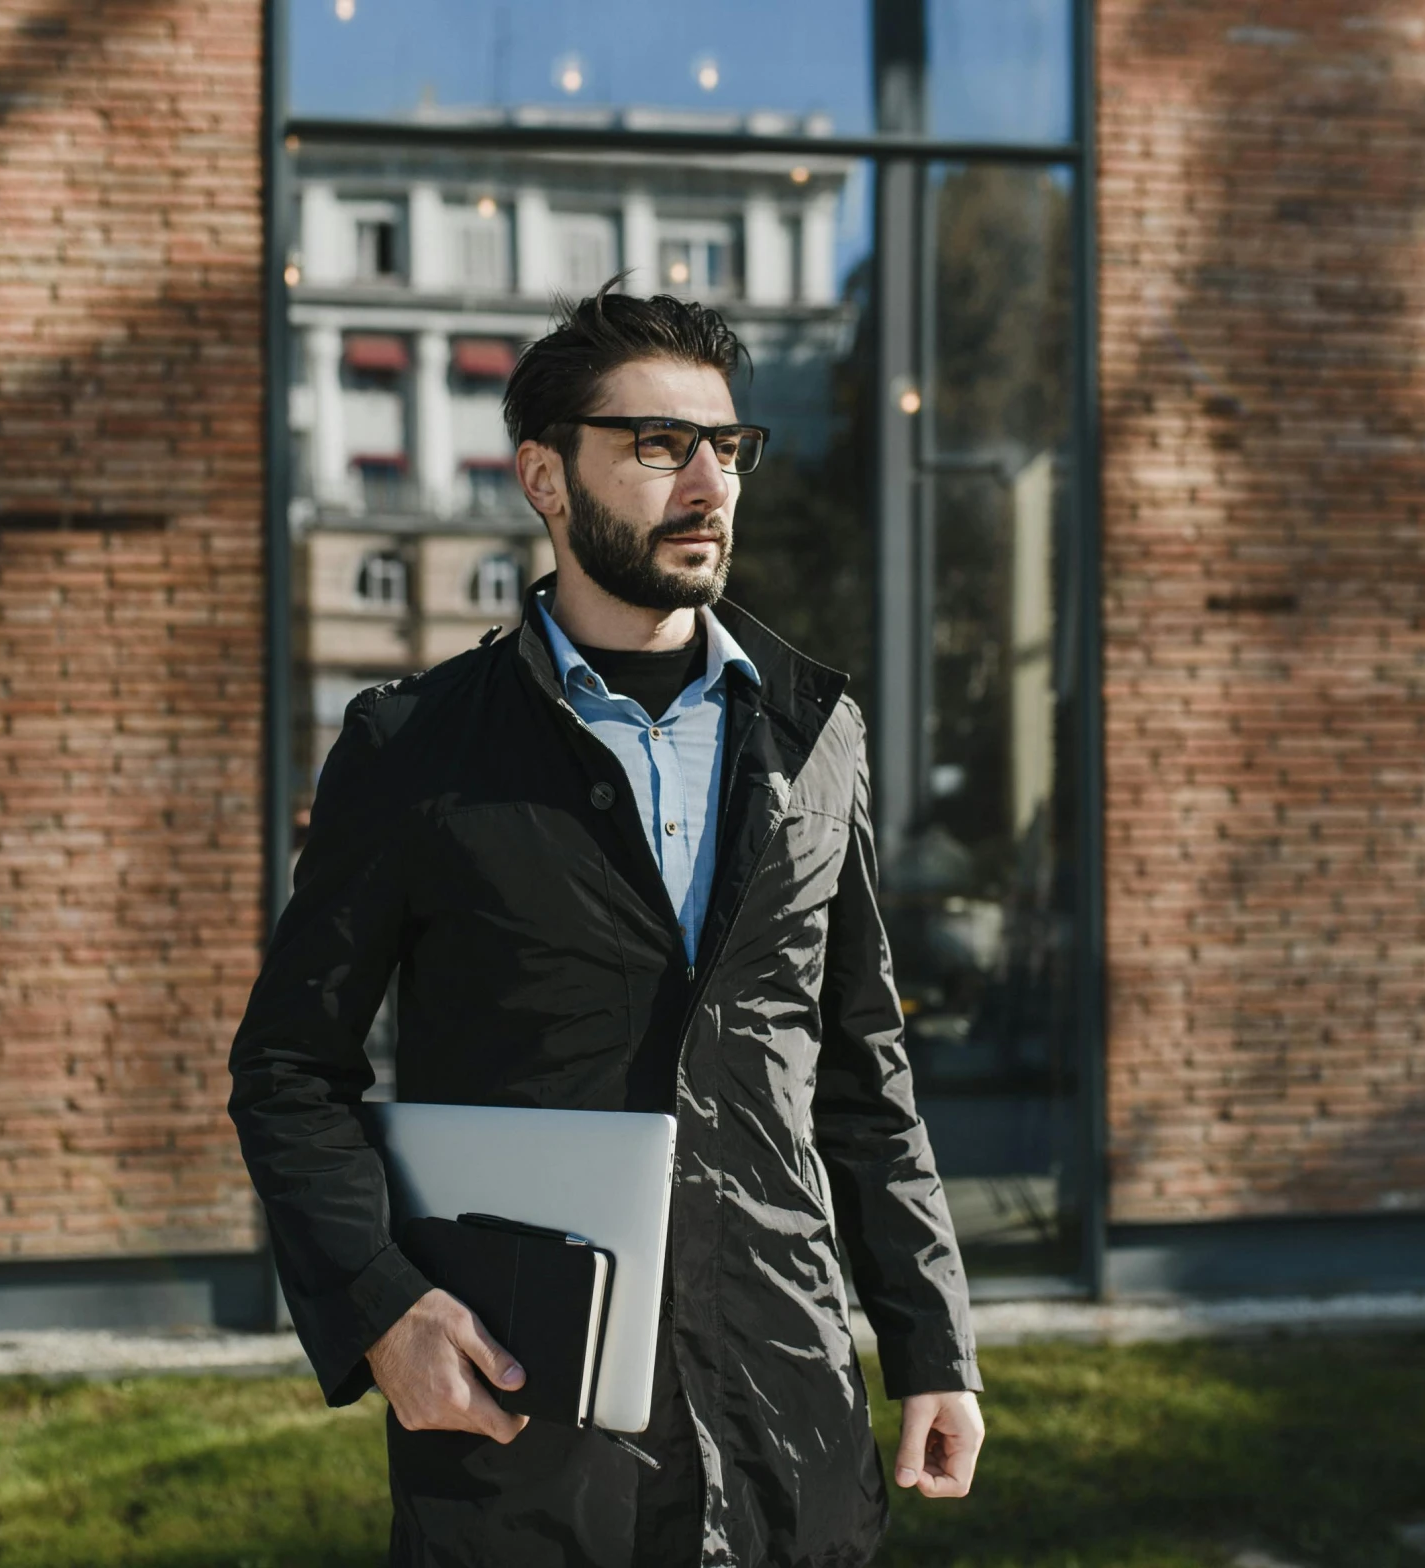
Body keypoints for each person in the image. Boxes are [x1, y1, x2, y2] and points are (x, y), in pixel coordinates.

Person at [227, 279, 984, 1567]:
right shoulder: (416, 751)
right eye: (655, 445)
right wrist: (384, 1311)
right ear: (544, 476)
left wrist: (930, 1344)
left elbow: (863, 1064)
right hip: (527, 1411)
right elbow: (289, 1070)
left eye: (727, 448)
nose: (708, 485)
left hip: (785, 1396)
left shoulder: (816, 736)